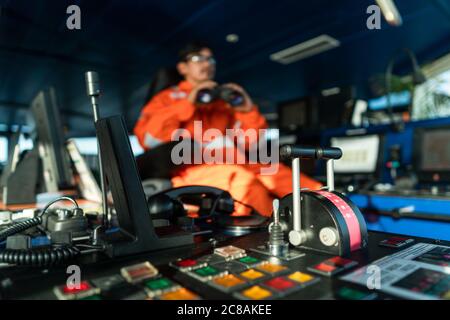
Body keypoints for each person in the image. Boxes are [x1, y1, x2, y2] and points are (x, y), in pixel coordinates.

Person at [134, 42, 322, 217]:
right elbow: (149, 138)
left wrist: (247, 110)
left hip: (238, 163)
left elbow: (253, 142)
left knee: (283, 175)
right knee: (246, 184)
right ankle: (267, 236)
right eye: (198, 58)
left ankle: (328, 210)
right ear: (182, 68)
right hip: (190, 169)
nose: (207, 64)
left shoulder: (223, 104)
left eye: (210, 59)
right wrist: (188, 102)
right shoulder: (166, 99)